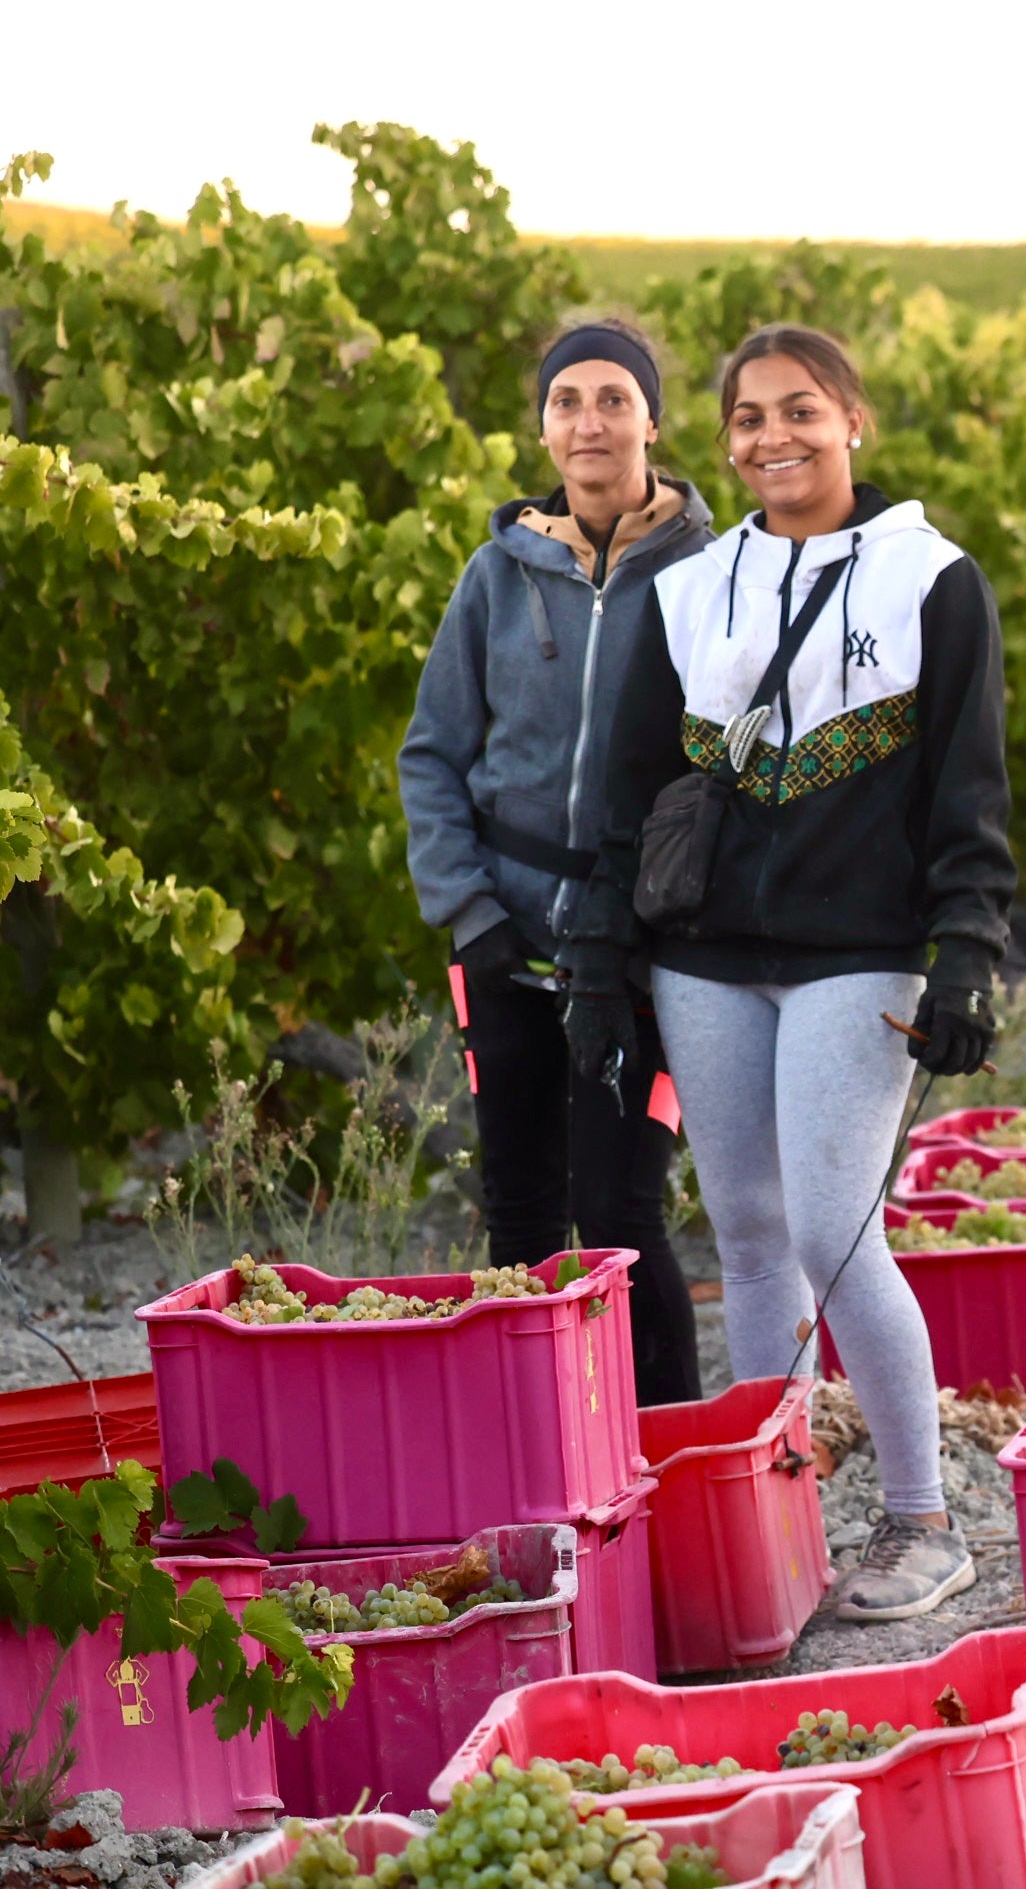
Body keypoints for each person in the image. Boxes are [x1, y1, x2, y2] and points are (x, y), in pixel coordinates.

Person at [563, 323, 1016, 1621]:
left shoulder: (935, 582)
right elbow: (629, 790)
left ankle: (924, 1523)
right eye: (751, 418)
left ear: (854, 422)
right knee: (751, 1239)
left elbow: (969, 797)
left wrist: (966, 958)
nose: (776, 437)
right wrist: (603, 964)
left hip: (856, 959)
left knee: (831, 1224)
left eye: (802, 411)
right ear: (726, 443)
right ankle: (780, 1516)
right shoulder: (689, 593)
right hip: (706, 959)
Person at [399, 318, 711, 1410]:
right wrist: (467, 911)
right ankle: (535, 1448)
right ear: (543, 425)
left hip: (640, 954)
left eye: (613, 397)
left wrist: (651, 925)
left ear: (651, 420)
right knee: (521, 1216)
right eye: (568, 399)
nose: (591, 419)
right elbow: (432, 755)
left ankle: (666, 1448)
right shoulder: (496, 575)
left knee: (623, 1213)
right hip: (502, 937)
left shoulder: (709, 575)